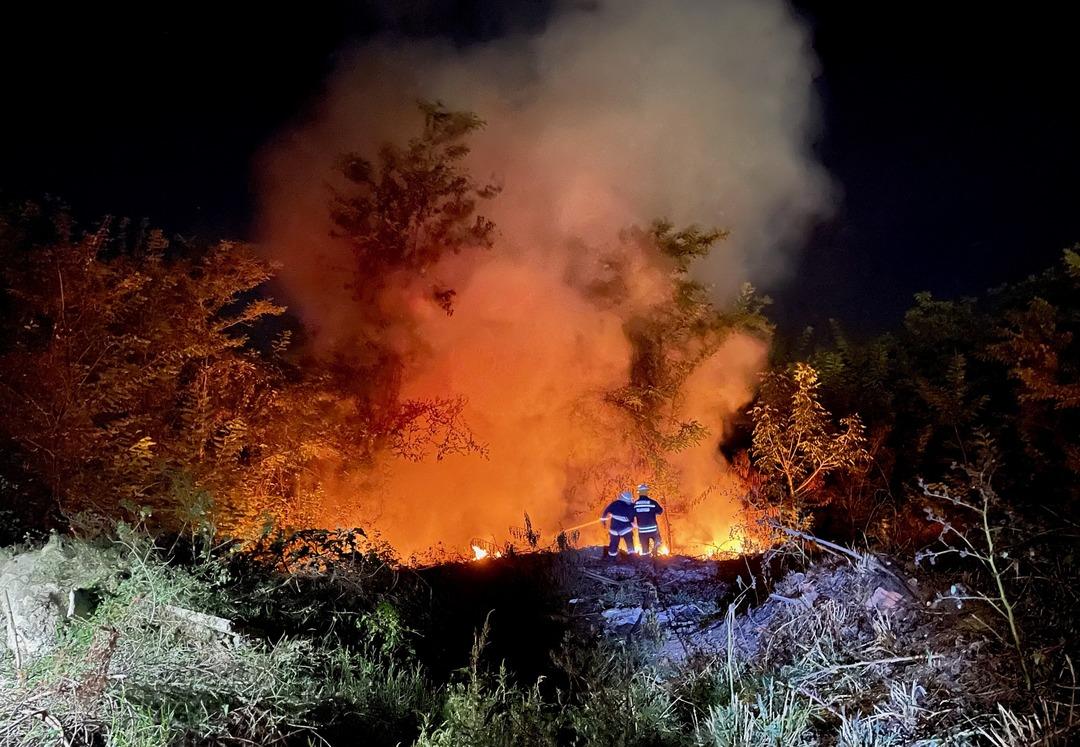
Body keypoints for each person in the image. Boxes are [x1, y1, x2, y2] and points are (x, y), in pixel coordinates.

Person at [601, 490, 636, 560]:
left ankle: (611, 558)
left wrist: (603, 520)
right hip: (626, 529)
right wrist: (633, 524)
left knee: (613, 544)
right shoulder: (632, 506)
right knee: (629, 543)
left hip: (614, 530)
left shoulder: (615, 503)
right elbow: (632, 517)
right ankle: (632, 558)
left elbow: (606, 511)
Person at [633, 483, 665, 556]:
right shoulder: (652, 502)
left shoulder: (635, 504)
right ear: (647, 492)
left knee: (644, 550)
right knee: (658, 541)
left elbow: (631, 515)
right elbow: (660, 511)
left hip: (642, 531)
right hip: (653, 529)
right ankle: (655, 552)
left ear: (639, 493)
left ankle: (646, 561)